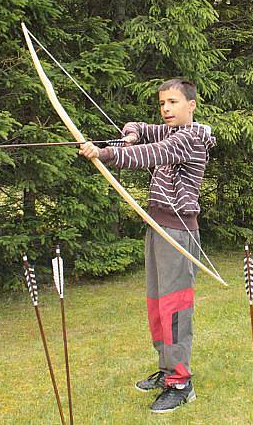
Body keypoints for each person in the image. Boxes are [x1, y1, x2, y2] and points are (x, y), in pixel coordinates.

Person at [79, 78, 215, 413]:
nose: (167, 109)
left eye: (173, 102)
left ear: (191, 105)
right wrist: (130, 134)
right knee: (157, 305)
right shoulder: (168, 130)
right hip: (157, 227)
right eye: (163, 104)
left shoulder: (189, 139)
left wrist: (108, 153)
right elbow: (140, 129)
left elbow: (153, 154)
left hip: (178, 233)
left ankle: (181, 382)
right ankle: (168, 369)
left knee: (174, 309)